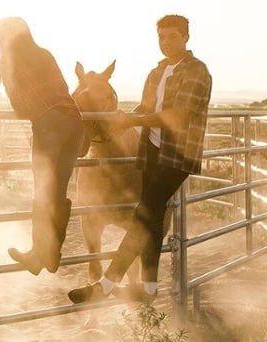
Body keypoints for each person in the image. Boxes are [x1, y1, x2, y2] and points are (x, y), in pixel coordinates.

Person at [68, 14, 212, 304]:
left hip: (178, 153)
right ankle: (147, 288)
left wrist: (130, 120)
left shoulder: (197, 71)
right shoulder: (156, 73)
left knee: (144, 213)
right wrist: (120, 120)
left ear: (186, 37)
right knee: (154, 218)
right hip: (152, 150)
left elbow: (178, 116)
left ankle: (106, 285)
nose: (166, 42)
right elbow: (146, 107)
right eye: (161, 37)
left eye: (172, 36)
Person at [0, 17, 85, 275]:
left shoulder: (9, 60)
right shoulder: (44, 54)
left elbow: (17, 103)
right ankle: (52, 253)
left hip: (50, 124)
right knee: (58, 191)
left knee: (43, 192)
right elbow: (65, 87)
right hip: (74, 121)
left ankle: (38, 254)